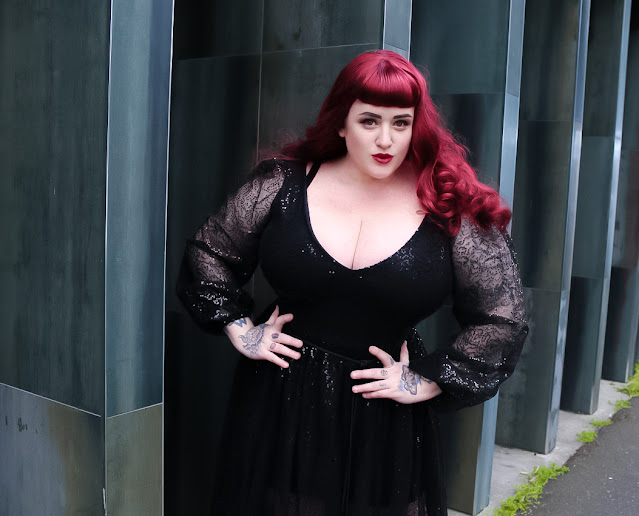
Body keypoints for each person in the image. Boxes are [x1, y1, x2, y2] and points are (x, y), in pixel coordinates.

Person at [177, 49, 528, 516]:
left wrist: (429, 381)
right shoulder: (282, 184)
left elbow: (502, 318)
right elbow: (209, 254)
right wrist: (241, 329)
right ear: (341, 122)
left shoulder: (448, 206)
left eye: (401, 123)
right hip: (281, 399)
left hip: (383, 411)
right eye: (369, 121)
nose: (386, 139)